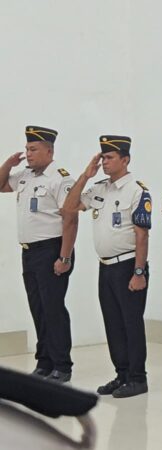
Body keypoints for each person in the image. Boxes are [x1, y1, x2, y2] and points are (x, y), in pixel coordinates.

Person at [62, 135, 151, 398]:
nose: (104, 162)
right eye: (102, 158)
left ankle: (137, 378)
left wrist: (139, 272)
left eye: (110, 157)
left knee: (131, 324)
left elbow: (142, 235)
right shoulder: (99, 188)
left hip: (128, 266)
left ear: (125, 160)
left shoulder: (137, 190)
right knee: (113, 323)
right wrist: (85, 176)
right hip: (106, 268)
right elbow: (68, 208)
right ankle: (122, 374)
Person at [0, 126, 76, 383]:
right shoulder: (25, 176)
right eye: (26, 149)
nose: (28, 153)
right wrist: (8, 165)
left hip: (52, 250)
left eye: (33, 149)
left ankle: (62, 365)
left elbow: (70, 220)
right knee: (38, 309)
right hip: (30, 252)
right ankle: (44, 361)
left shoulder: (61, 179)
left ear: (49, 151)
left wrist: (64, 257)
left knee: (53, 309)